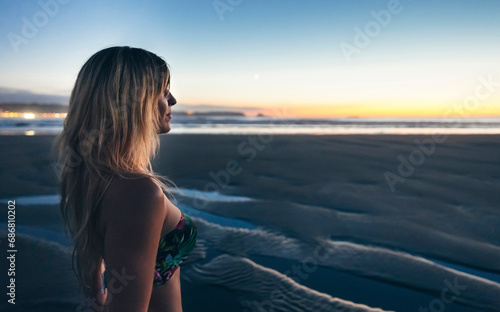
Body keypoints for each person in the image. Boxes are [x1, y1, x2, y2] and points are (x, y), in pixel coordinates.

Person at [54, 46, 197, 312]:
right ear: (135, 101)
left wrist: (95, 278)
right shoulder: (139, 194)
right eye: (164, 91)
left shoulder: (96, 177)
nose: (173, 100)